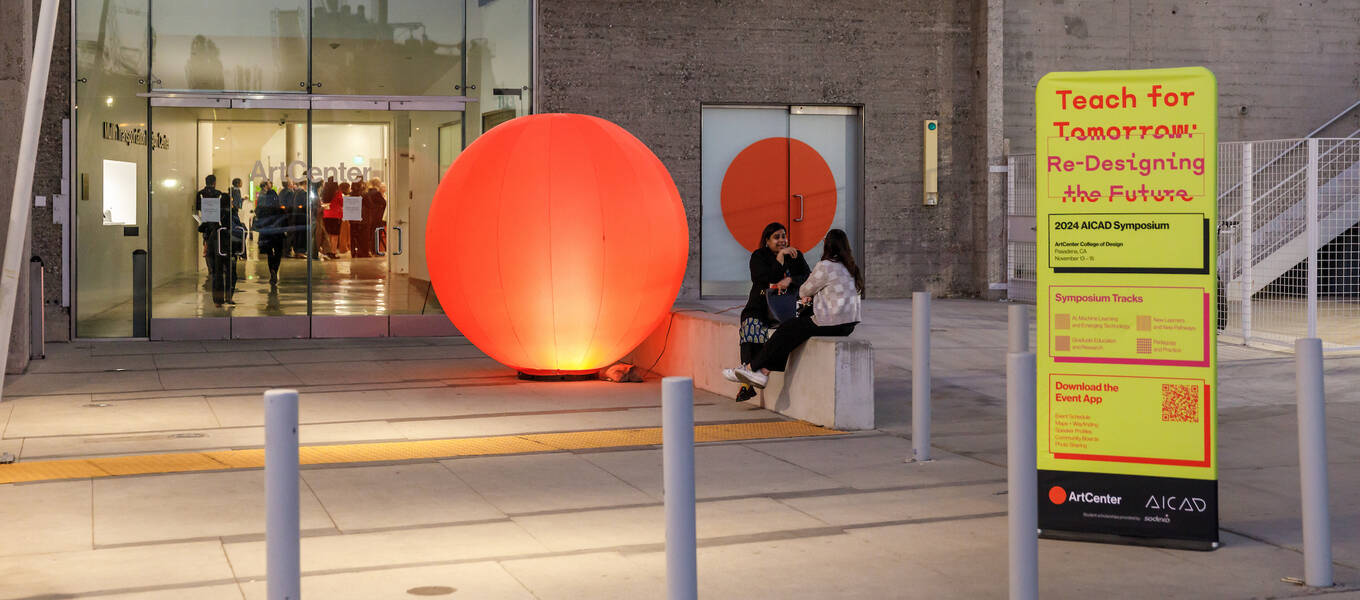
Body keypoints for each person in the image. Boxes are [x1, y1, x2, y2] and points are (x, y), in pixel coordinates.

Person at [725, 229, 863, 389]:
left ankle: (750, 368)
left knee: (786, 329)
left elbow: (804, 291)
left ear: (828, 245)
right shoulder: (851, 267)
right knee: (793, 333)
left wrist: (807, 292)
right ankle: (763, 372)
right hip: (848, 326)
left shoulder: (825, 266)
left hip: (830, 322)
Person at [730, 222, 809, 402]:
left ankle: (748, 380)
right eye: (777, 237)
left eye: (784, 236)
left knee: (782, 333)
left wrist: (791, 279)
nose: (782, 240)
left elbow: (807, 277)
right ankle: (747, 385)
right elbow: (765, 278)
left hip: (784, 307)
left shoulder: (796, 256)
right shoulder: (758, 256)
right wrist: (780, 257)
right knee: (751, 328)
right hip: (760, 305)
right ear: (767, 240)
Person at [195, 174, 237, 307]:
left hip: (214, 241)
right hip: (227, 244)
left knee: (216, 273)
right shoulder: (230, 213)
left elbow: (202, 226)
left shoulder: (202, 197)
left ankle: (218, 301)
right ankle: (229, 297)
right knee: (230, 273)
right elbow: (238, 227)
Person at [254, 180, 286, 286]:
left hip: (267, 234)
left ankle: (272, 271)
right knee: (278, 253)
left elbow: (258, 218)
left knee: (269, 254)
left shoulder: (262, 209)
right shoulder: (279, 209)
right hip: (277, 234)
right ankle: (275, 271)